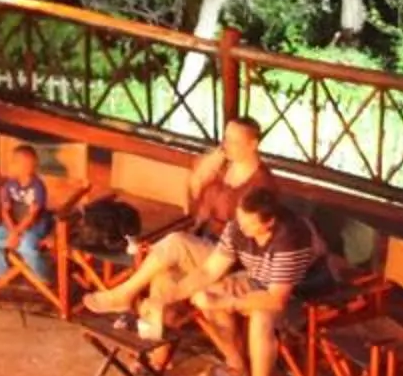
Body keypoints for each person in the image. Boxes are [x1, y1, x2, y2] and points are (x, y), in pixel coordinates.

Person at [79, 116, 271, 339]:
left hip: (232, 257)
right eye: (225, 139)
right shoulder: (223, 168)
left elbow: (248, 237)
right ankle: (155, 355)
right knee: (164, 275)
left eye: (233, 142)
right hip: (203, 242)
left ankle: (123, 294)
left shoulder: (261, 185)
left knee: (175, 242)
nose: (226, 146)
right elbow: (195, 186)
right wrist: (215, 157)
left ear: (253, 145)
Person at [186, 189, 324, 376]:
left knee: (261, 317)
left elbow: (275, 300)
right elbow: (210, 271)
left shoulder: (291, 237)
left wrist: (227, 303)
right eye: (240, 219)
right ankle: (236, 365)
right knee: (214, 290)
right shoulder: (238, 226)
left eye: (249, 223)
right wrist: (175, 295)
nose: (241, 226)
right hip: (259, 281)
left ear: (269, 222)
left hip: (302, 294)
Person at [0, 140, 57, 290]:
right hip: (13, 223)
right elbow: (5, 210)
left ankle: (45, 277)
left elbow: (33, 215)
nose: (26, 169)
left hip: (35, 224)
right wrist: (12, 232)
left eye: (30, 165)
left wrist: (16, 233)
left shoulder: (38, 186)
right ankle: (3, 275)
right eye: (20, 164)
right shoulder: (9, 184)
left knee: (27, 248)